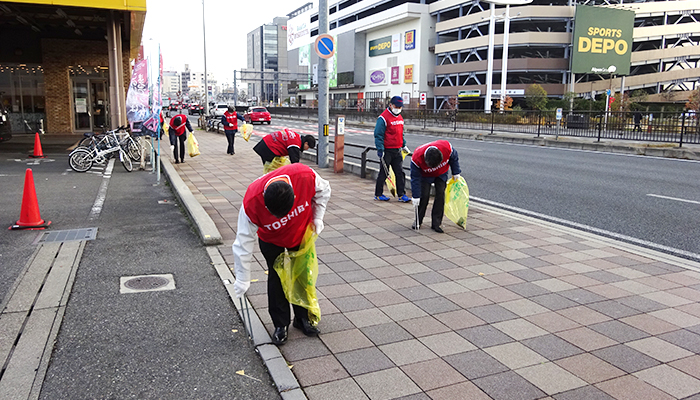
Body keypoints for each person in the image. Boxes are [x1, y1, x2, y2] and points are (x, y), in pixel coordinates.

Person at [232, 163, 331, 345]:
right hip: (271, 239)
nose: (281, 221)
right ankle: (280, 324)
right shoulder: (252, 202)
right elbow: (243, 243)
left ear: (294, 196)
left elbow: (324, 191)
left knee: (301, 273)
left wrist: (318, 217)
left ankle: (302, 318)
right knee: (276, 275)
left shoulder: (305, 176)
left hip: (299, 232)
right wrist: (243, 278)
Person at [410, 140, 461, 233]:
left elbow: (454, 158)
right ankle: (418, 220)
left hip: (441, 174)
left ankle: (436, 223)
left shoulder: (447, 148)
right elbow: (415, 179)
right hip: (425, 176)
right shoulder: (417, 158)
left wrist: (456, 172)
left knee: (440, 195)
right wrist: (415, 196)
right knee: (424, 196)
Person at [375, 96, 410, 202]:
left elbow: (401, 133)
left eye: (400, 107)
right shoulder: (383, 118)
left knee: (400, 173)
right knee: (384, 173)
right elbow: (378, 134)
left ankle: (401, 194)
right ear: (390, 105)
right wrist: (380, 149)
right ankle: (378, 194)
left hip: (397, 150)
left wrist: (403, 145)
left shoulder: (400, 117)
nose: (398, 108)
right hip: (387, 151)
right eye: (396, 106)